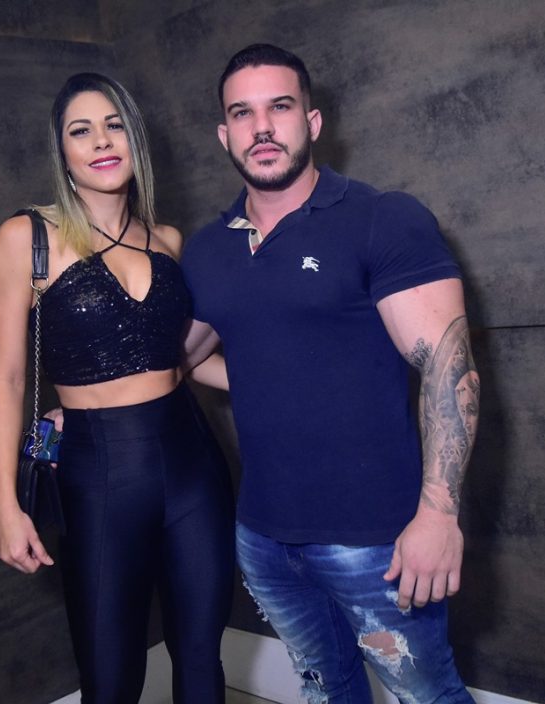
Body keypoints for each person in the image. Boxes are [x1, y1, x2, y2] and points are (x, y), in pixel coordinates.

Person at [181, 44, 480, 703]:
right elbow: (184, 359)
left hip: (377, 542)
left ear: (312, 122)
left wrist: (438, 516)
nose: (262, 127)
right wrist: (80, 406)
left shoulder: (382, 218)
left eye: (280, 107)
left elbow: (448, 370)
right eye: (243, 113)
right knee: (326, 692)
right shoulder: (207, 250)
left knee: (428, 697)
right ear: (224, 134)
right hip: (263, 539)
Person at [0, 72, 234, 704]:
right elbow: (8, 378)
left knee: (201, 658)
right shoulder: (26, 239)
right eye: (81, 130)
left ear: (133, 139)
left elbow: (180, 361)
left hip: (193, 465)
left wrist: (292, 380)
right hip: (98, 475)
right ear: (62, 151)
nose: (101, 140)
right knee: (110, 677)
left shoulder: (168, 240)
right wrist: (8, 508)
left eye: (114, 125)